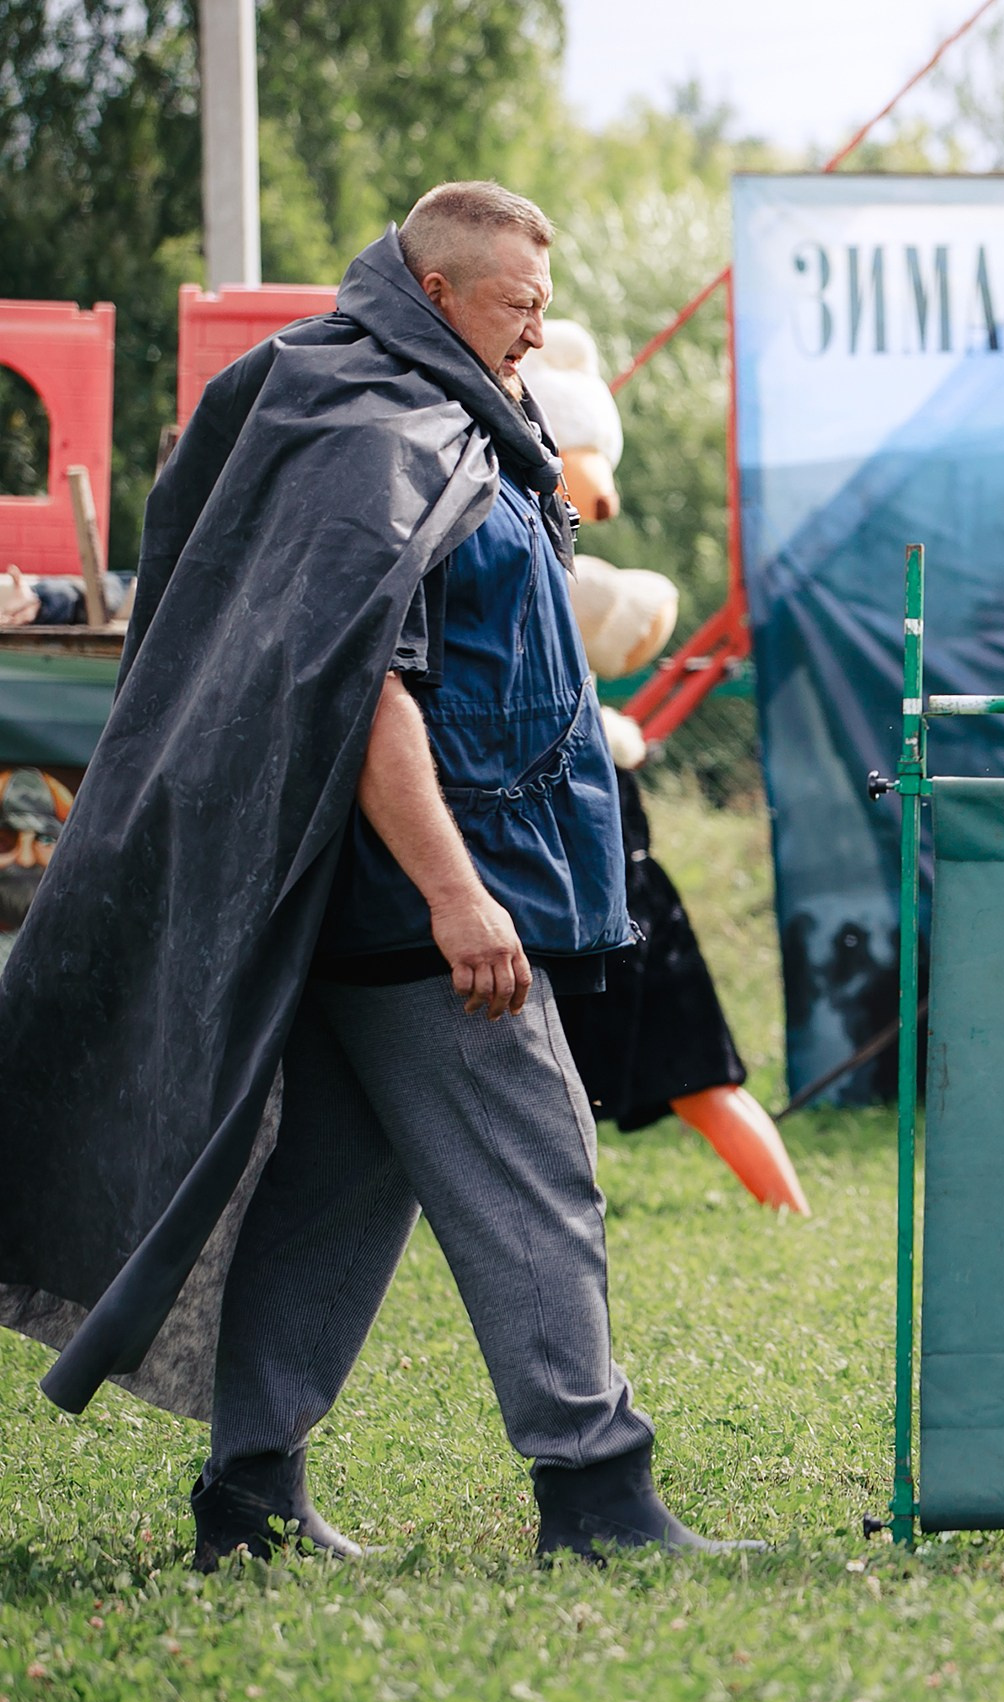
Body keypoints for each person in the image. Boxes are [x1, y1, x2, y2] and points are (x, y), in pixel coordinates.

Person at [0, 182, 754, 1565]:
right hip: (424, 900)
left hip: (370, 906)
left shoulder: (427, 406)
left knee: (333, 1201)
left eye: (541, 303)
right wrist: (461, 893)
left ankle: (247, 1500)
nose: (536, 329)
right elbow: (365, 687)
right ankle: (596, 1495)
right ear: (437, 287)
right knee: (540, 1176)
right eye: (517, 304)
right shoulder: (376, 424)